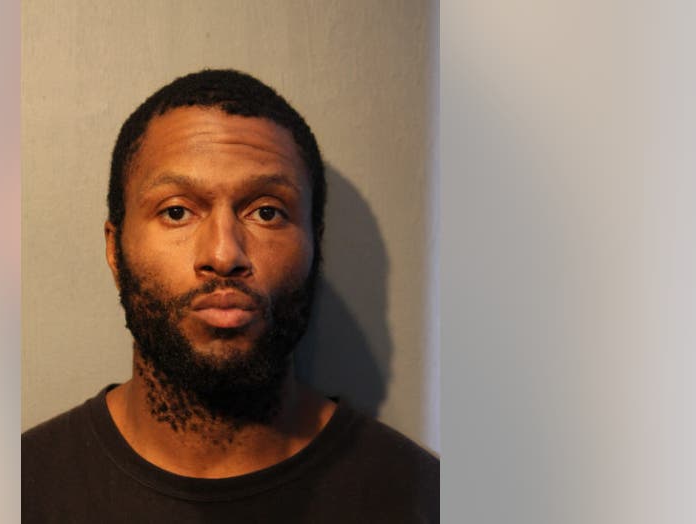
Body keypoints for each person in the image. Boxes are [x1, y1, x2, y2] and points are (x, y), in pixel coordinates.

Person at [22, 69, 438, 522]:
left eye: (267, 212)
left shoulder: (422, 499)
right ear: (114, 249)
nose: (223, 255)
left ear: (316, 246)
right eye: (176, 211)